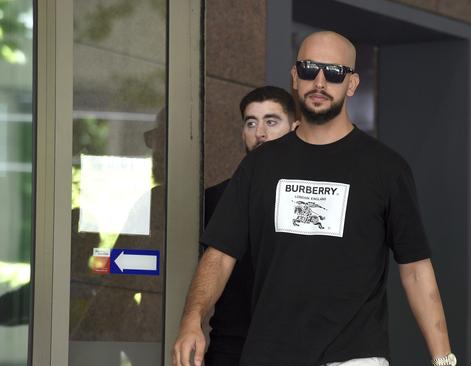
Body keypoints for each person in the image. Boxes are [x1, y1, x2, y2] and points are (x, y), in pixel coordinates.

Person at [173, 31, 455, 366]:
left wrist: (443, 358)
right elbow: (219, 256)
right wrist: (192, 321)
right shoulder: (260, 166)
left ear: (351, 84)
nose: (319, 82)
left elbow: (415, 269)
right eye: (309, 69)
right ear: (295, 76)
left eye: (334, 73)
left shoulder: (386, 168)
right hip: (268, 353)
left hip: (354, 356)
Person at [202, 86, 299, 365]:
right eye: (251, 122)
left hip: (298, 349)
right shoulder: (216, 198)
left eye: (271, 121)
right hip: (232, 348)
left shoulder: (313, 197)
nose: (260, 133)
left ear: (295, 128)